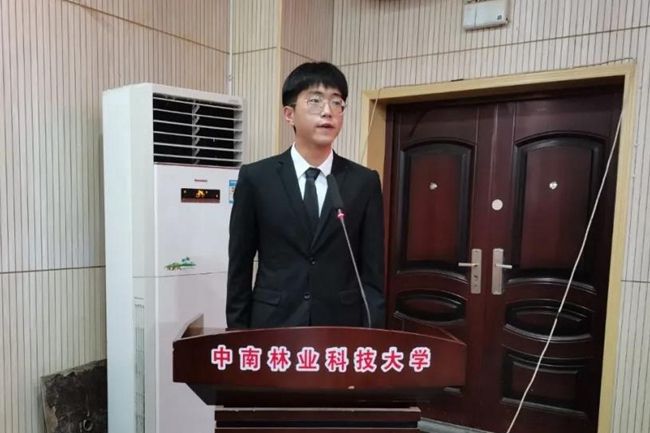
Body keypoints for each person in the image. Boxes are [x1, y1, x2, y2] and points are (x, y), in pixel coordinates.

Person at [226, 61, 385, 329]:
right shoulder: (257, 178)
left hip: (341, 325)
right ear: (289, 114)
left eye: (337, 102)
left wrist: (373, 334)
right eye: (315, 101)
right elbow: (239, 265)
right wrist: (237, 334)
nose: (328, 111)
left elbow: (372, 271)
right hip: (274, 324)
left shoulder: (364, 182)